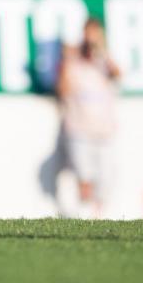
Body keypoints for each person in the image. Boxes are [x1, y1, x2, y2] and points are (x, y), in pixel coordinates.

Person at [56, 18, 121, 219]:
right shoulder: (72, 60)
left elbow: (118, 74)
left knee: (106, 178)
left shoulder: (104, 60)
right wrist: (68, 59)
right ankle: (83, 215)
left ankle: (98, 216)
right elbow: (63, 89)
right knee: (84, 176)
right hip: (79, 127)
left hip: (104, 129)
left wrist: (102, 52)